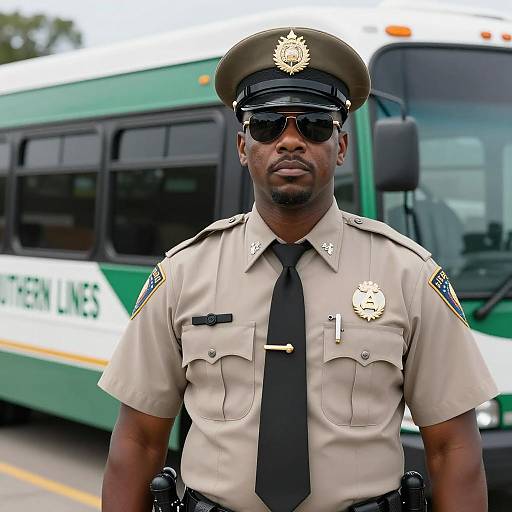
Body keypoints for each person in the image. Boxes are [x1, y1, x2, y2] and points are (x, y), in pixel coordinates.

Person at [99, 27, 498, 512]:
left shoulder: (407, 275)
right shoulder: (183, 275)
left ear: (342, 146)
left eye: (313, 124)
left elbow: (453, 449)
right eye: (267, 125)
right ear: (243, 147)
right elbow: (137, 443)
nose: (290, 141)